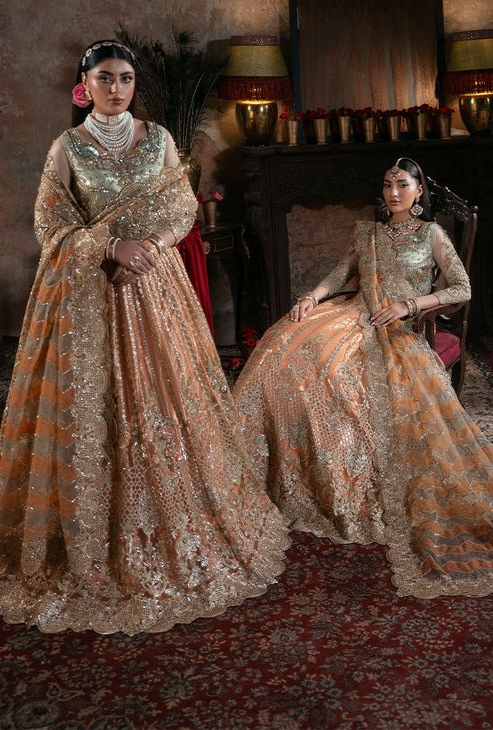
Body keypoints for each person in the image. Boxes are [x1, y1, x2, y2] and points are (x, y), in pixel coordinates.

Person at [0, 40, 289, 635]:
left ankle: (175, 517)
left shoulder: (157, 140)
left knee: (165, 398)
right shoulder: (67, 147)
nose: (117, 88)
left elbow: (182, 207)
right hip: (88, 295)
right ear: (84, 83)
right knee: (91, 407)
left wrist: (148, 250)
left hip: (154, 286)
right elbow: (49, 224)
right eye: (105, 78)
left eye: (126, 78)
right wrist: (111, 248)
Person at [234, 156, 493, 599]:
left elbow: (461, 288)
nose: (393, 192)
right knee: (282, 348)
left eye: (403, 184)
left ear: (419, 191)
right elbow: (341, 273)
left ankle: (346, 479)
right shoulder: (368, 233)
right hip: (353, 313)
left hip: (396, 327)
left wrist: (411, 306)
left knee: (336, 373)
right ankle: (274, 466)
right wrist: (311, 298)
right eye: (388, 184)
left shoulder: (432, 234)